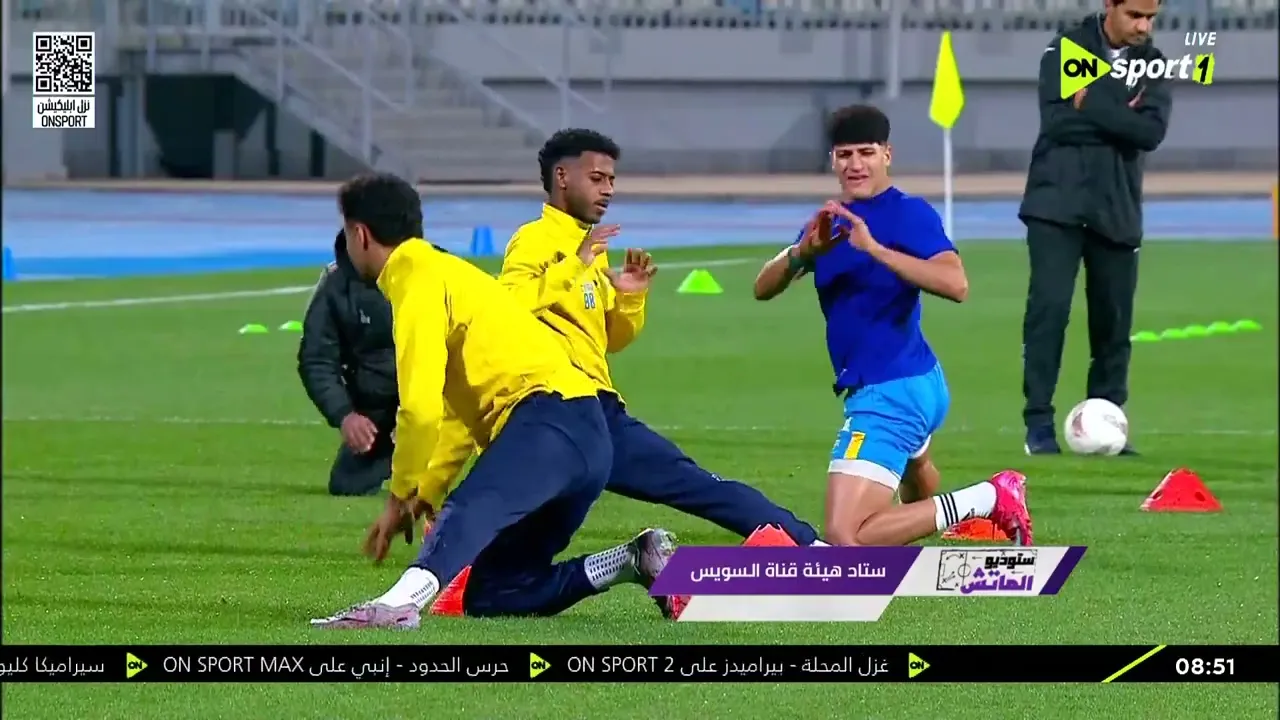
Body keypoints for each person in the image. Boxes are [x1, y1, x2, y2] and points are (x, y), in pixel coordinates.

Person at [422, 129, 825, 619]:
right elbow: (506, 310)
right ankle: (796, 548)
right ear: (562, 177)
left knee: (693, 484)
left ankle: (804, 546)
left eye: (612, 179)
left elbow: (608, 338)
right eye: (597, 178)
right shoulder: (536, 241)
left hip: (589, 411)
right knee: (690, 486)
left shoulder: (590, 246)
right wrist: (575, 265)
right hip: (557, 411)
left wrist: (629, 297)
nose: (608, 189)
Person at [310, 173, 677, 630]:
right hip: (587, 438)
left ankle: (397, 606)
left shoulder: (415, 280)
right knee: (497, 590)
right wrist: (425, 490)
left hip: (548, 423)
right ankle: (630, 561)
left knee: (468, 510)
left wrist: (400, 495)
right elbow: (453, 417)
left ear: (360, 234)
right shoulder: (452, 272)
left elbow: (420, 411)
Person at [752, 104, 1033, 547]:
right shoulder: (830, 222)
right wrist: (800, 254)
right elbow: (762, 288)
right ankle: (943, 526)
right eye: (845, 154)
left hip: (889, 391)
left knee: (846, 536)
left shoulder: (908, 213)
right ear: (832, 160)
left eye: (866, 152)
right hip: (917, 379)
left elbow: (956, 284)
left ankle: (990, 497)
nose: (855, 164)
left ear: (887, 154)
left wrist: (875, 249)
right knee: (916, 474)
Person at [1018, 0, 1171, 455]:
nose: (1144, 26)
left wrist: (1090, 101)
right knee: (1049, 313)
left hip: (1116, 209)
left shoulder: (1153, 63)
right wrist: (1122, 112)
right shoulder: (1068, 48)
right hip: (1056, 205)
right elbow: (1058, 123)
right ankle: (1038, 426)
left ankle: (1107, 424)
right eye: (1135, 15)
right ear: (1110, 5)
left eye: (1151, 17)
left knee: (1113, 325)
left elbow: (1149, 134)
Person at [297, 232, 397, 496]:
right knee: (347, 486)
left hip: (444, 408)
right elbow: (317, 359)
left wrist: (423, 414)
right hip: (382, 409)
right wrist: (345, 415)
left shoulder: (435, 275)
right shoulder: (337, 284)